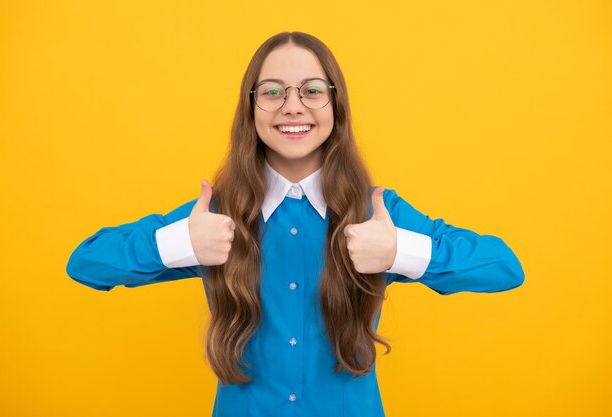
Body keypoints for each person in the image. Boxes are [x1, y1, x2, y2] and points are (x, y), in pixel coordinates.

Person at [66, 31, 525, 417]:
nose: (292, 105)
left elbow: (504, 268)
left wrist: (400, 252)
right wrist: (177, 243)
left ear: (335, 106)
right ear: (251, 109)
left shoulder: (378, 216)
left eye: (311, 89)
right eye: (271, 91)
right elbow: (86, 263)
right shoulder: (214, 218)